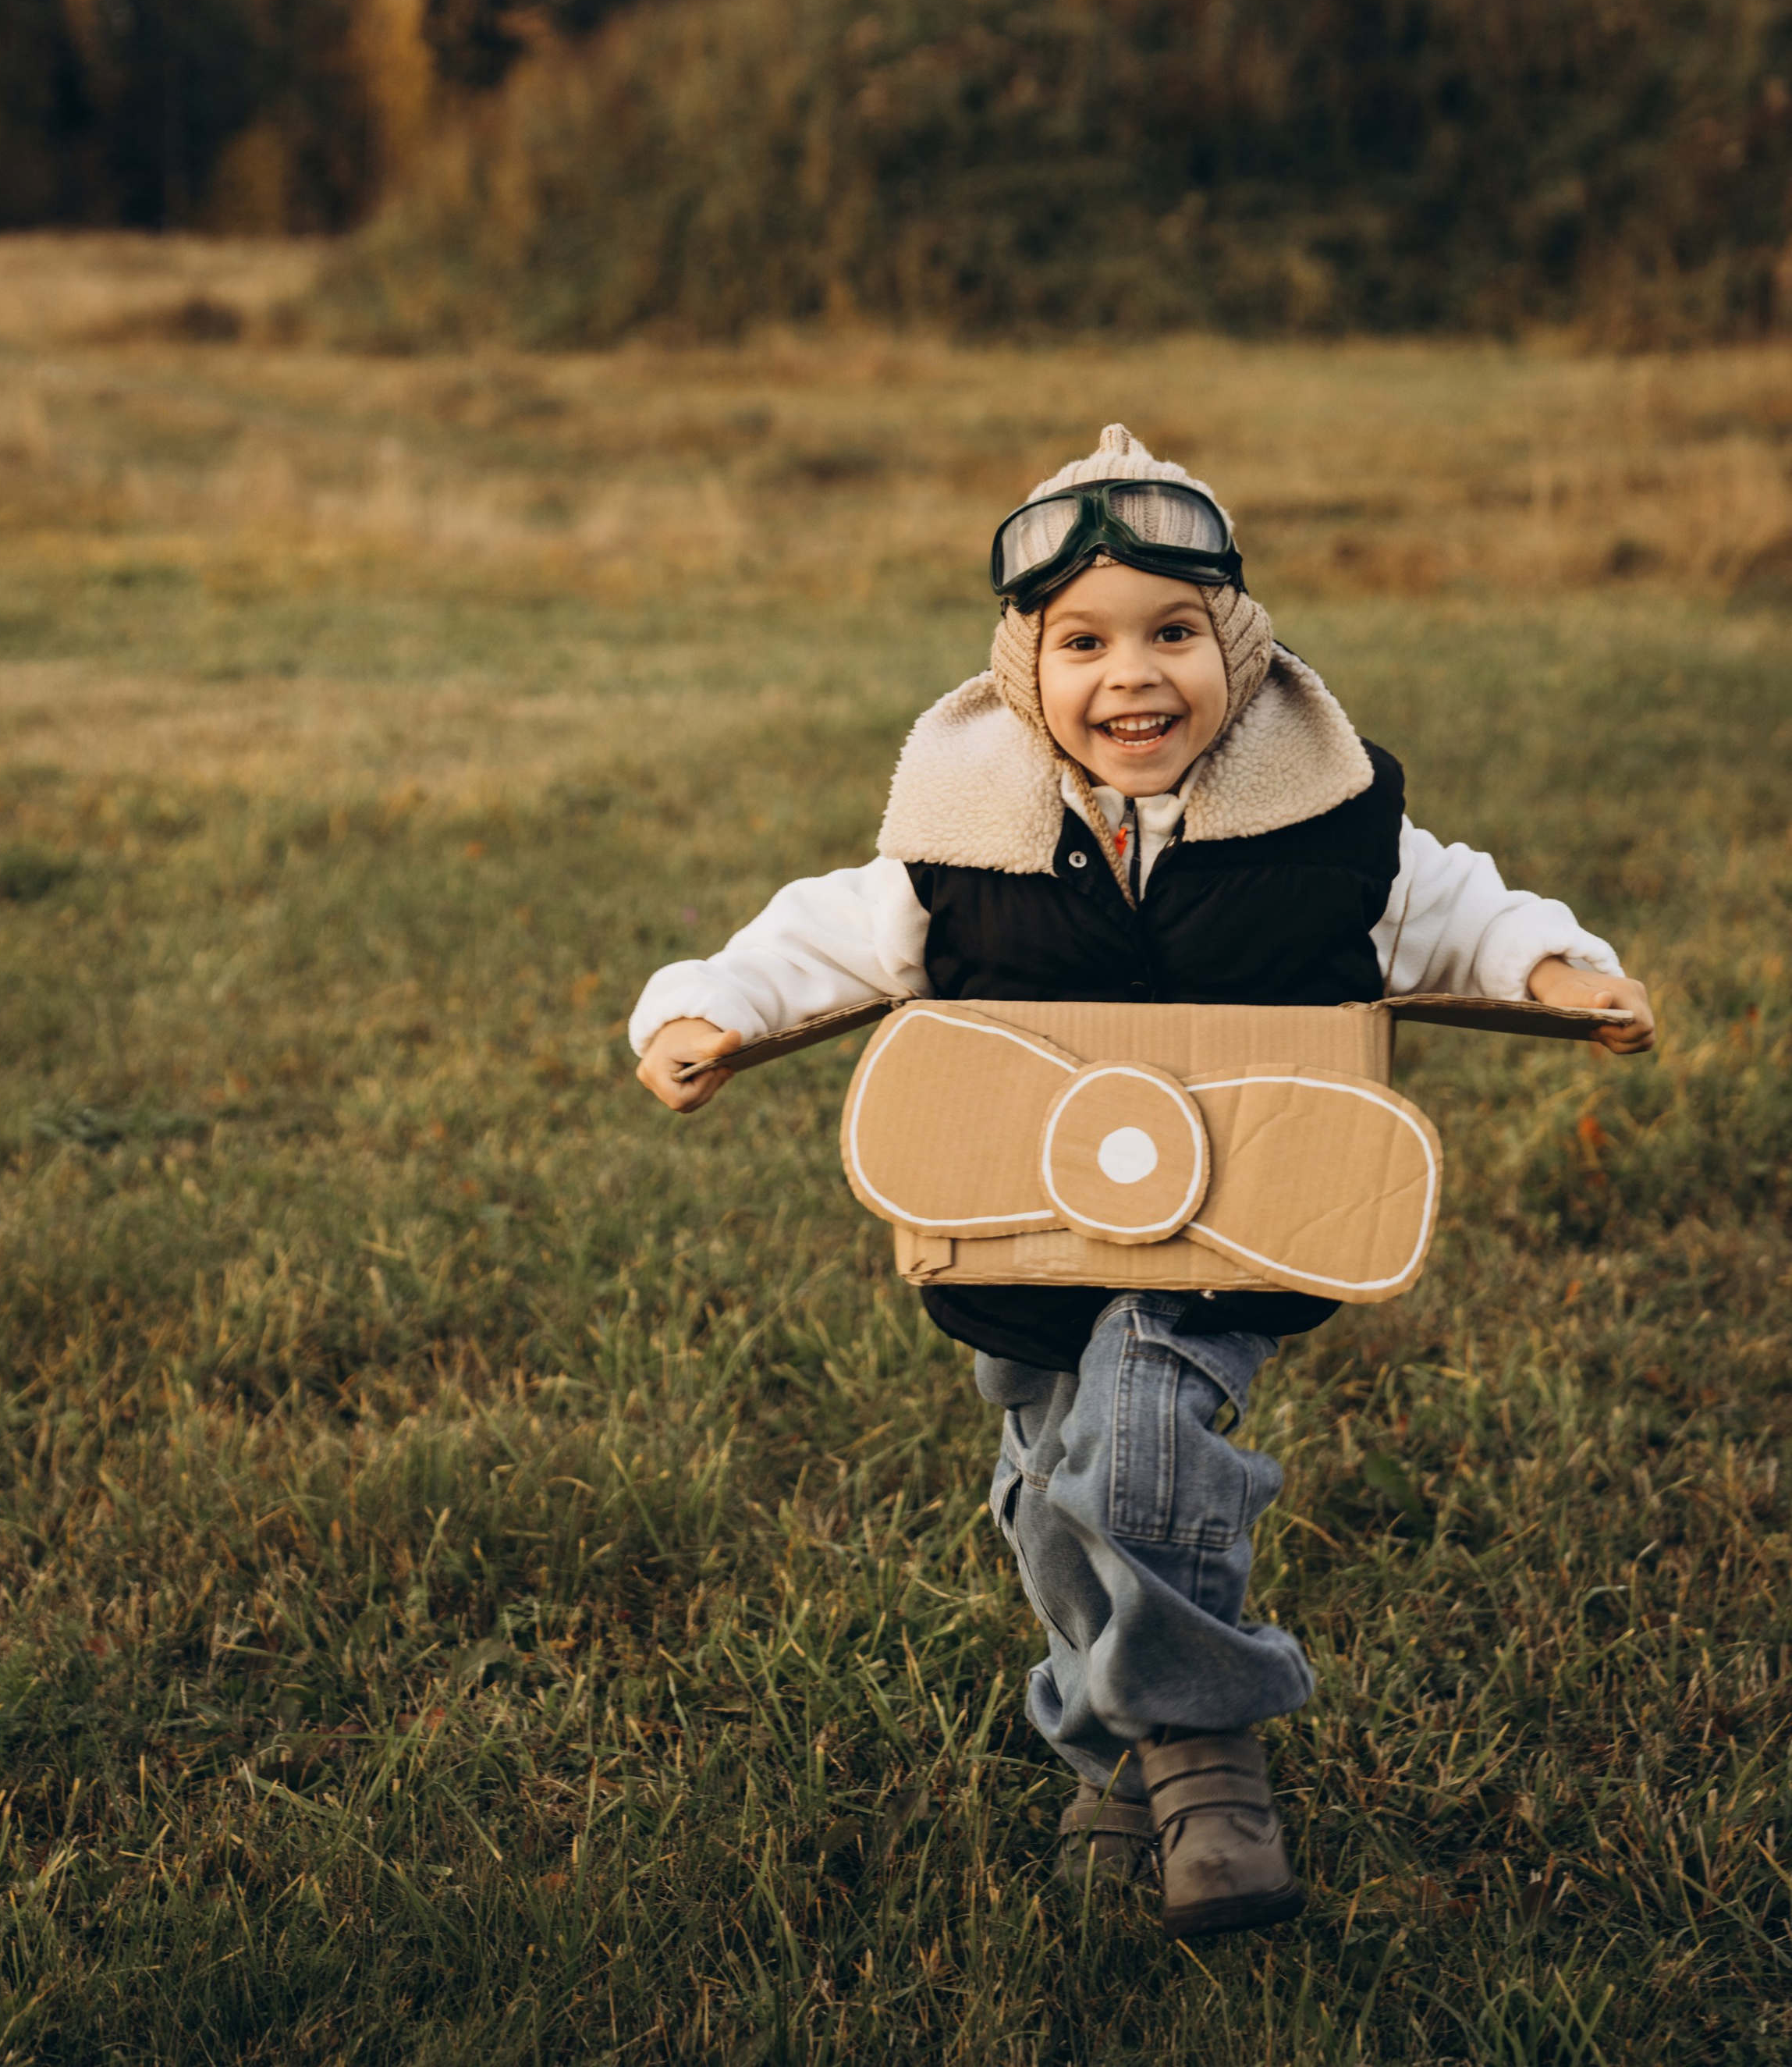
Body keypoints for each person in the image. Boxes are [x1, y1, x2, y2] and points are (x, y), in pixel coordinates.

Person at [630, 425, 1654, 1940]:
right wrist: (703, 1013)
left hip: (1230, 1224)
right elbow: (818, 938)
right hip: (1021, 1234)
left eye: (1173, 633)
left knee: (1139, 1441)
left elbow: (1454, 908)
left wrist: (1558, 969)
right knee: (1056, 1500)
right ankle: (1113, 1751)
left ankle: (1202, 1745)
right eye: (1085, 642)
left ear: (1233, 647)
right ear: (1022, 667)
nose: (1133, 676)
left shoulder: (1322, 819)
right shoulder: (962, 835)